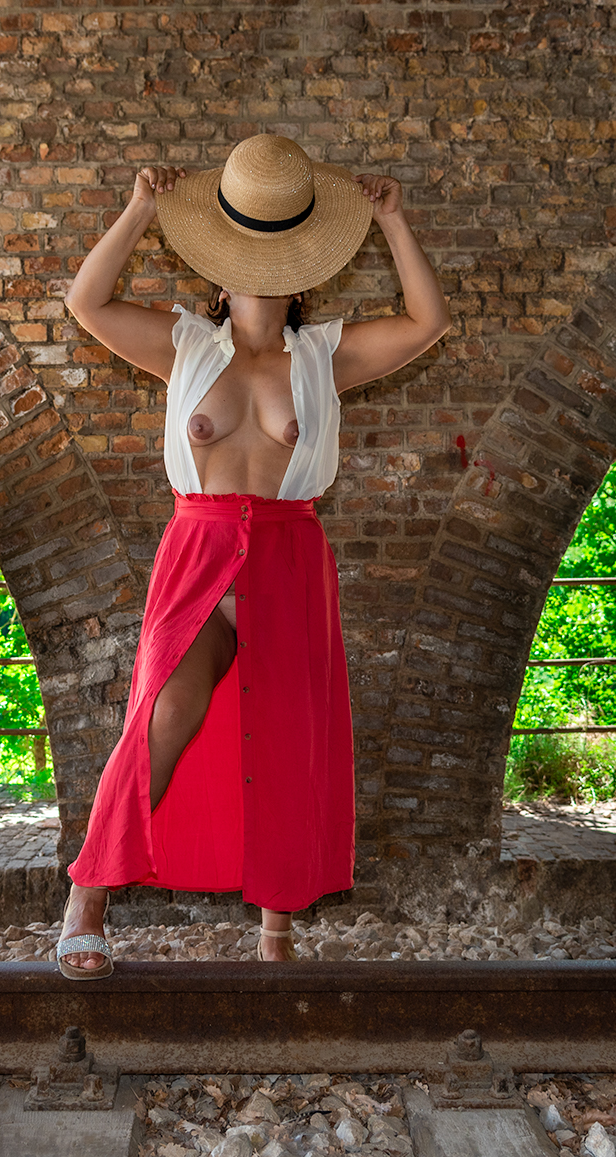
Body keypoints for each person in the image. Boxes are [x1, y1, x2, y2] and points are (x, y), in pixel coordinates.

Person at [55, 134, 450, 979]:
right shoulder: (185, 345)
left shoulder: (324, 354)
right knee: (163, 714)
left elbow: (428, 323)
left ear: (302, 276)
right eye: (241, 255)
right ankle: (86, 897)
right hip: (198, 550)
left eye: (276, 255)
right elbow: (87, 302)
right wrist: (140, 209)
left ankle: (276, 928)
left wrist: (392, 221)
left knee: (283, 735)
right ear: (217, 268)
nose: (256, 273)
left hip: (287, 553)